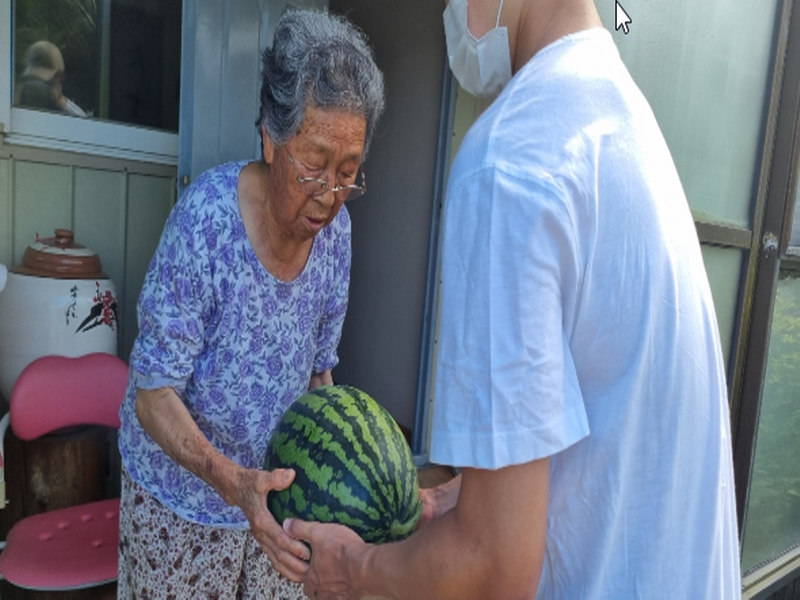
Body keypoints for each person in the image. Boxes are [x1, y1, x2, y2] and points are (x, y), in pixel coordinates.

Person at [285, 0, 742, 598]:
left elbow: (494, 567)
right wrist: (470, 496)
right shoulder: (625, 126)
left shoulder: (511, 162)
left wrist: (355, 570)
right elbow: (607, 438)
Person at [116, 8, 384, 598]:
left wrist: (339, 483)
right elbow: (153, 394)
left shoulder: (336, 235)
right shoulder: (205, 225)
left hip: (276, 506)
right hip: (181, 508)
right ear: (270, 134)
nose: (330, 196)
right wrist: (234, 483)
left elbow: (319, 372)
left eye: (349, 172)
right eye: (314, 164)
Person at [15, 40, 86, 117]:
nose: (36, 86)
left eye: (44, 82)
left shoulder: (76, 119)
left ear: (61, 78)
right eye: (31, 79)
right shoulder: (14, 108)